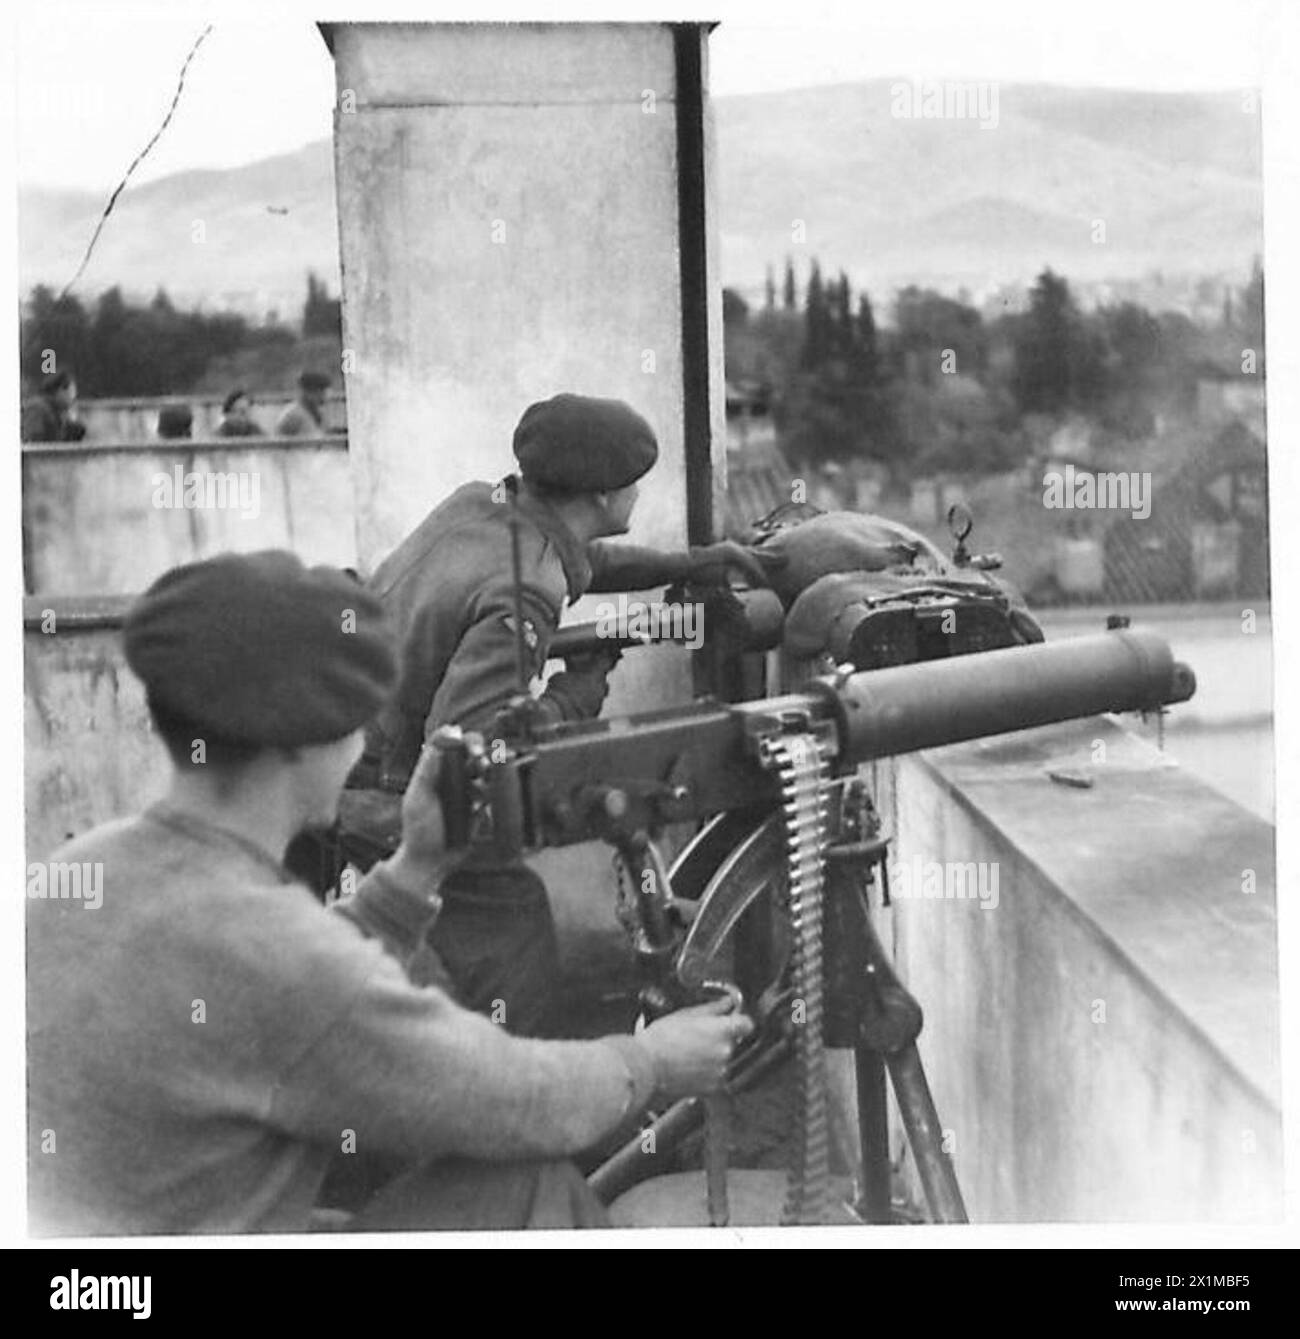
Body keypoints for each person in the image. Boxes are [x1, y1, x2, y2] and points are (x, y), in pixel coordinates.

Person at [26, 550, 749, 1236]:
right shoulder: (283, 957)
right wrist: (655, 1060)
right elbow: (511, 1099)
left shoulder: (84, 869)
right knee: (531, 1180)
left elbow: (282, 994)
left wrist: (416, 866)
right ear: (311, 741)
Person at [345, 393, 779, 1038]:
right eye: (633, 484)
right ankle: (513, 1109)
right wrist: (578, 694)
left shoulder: (483, 504)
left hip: (345, 759)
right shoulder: (524, 590)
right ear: (603, 497)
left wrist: (688, 564)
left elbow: (581, 560)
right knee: (515, 941)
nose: (637, 494)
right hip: (392, 803)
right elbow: (467, 745)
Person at [21, 370, 87, 442]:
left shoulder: (59, 413)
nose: (74, 397)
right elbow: (33, 442)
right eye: (71, 391)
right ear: (61, 390)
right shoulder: (38, 409)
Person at [276, 371, 331, 436]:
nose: (322, 396)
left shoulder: (318, 413)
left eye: (323, 392)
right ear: (307, 391)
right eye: (319, 391)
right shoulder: (293, 414)